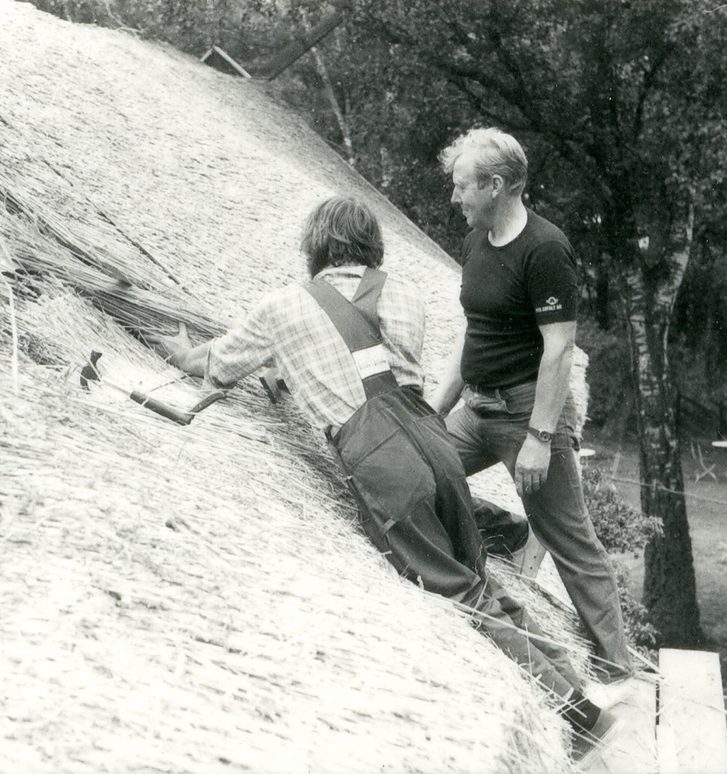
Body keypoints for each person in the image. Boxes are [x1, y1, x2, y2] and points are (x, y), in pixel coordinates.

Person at [149, 196, 614, 745]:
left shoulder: (281, 309)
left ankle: (575, 717)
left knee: (457, 594)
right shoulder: (405, 293)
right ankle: (579, 689)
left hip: (383, 459)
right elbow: (373, 363)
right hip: (434, 441)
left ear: (315, 246)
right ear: (373, 244)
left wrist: (183, 353)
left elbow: (216, 365)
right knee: (479, 576)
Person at [431, 127, 634, 682]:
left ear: (495, 186)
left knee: (571, 540)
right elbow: (473, 334)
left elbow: (560, 348)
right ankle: (506, 534)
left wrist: (541, 438)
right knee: (422, 472)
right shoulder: (475, 242)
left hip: (527, 416)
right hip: (475, 410)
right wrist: (434, 412)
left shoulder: (545, 249)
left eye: (462, 187)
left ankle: (618, 669)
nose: (455, 198)